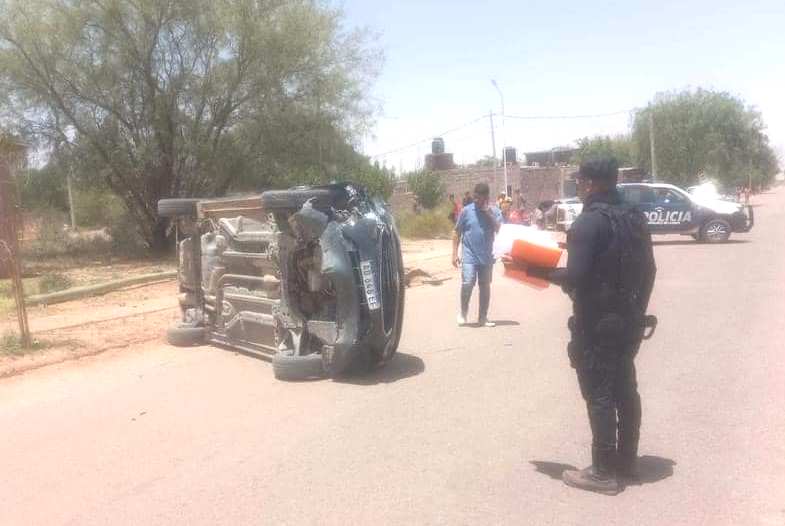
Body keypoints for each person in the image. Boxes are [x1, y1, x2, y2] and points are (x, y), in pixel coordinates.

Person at [523, 157, 657, 495]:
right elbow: (650, 271)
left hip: (598, 323)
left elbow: (576, 276)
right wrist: (637, 312)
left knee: (599, 391)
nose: (578, 186)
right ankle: (626, 461)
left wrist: (531, 269)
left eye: (580, 181)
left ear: (590, 184)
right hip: (629, 319)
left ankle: (601, 472)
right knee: (625, 388)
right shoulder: (634, 217)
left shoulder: (588, 223)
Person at [452, 182, 502, 327]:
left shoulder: (494, 211)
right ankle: (463, 312)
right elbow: (457, 232)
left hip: (487, 256)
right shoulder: (466, 211)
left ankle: (483, 317)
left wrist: (488, 213)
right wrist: (454, 253)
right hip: (469, 255)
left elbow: (499, 229)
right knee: (468, 283)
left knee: (485, 286)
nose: (476, 201)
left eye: (479, 198)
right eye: (475, 197)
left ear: (487, 197)